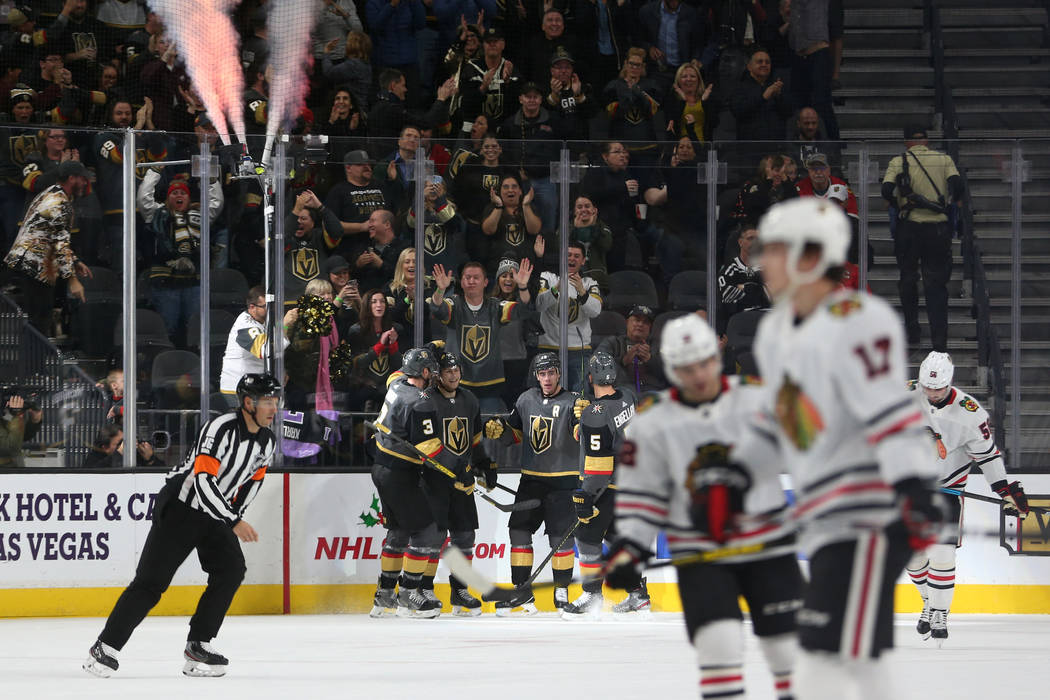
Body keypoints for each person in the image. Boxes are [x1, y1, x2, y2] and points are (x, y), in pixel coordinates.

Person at [738, 197, 943, 699]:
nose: (765, 263)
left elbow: (888, 411)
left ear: (811, 256)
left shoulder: (859, 319)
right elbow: (788, 424)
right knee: (858, 657)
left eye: (776, 251)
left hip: (872, 512)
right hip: (828, 516)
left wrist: (913, 487)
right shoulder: (775, 333)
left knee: (822, 652)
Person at [605, 315, 802, 697]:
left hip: (767, 547)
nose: (696, 375)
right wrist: (632, 545)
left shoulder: (758, 399)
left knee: (788, 652)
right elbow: (641, 493)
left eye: (703, 363)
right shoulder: (651, 421)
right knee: (718, 650)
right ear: (671, 369)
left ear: (716, 357)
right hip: (700, 554)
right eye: (685, 368)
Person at [83, 373, 281, 678]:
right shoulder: (220, 428)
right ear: (247, 403)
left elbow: (252, 483)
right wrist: (233, 520)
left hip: (216, 512)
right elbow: (203, 481)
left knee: (231, 569)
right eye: (267, 401)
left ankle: (198, 644)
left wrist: (233, 514)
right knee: (151, 583)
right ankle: (104, 647)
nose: (274, 408)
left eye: (275, 401)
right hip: (181, 507)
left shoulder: (267, 441)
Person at [906, 351, 1029, 645]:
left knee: (942, 554)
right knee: (912, 558)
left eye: (938, 388)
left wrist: (1004, 489)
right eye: (927, 387)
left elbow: (988, 456)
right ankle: (929, 601)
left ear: (949, 382)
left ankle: (940, 613)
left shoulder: (970, 413)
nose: (932, 393)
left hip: (946, 490)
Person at [369, 347, 467, 619]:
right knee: (427, 532)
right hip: (400, 474)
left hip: (381, 468)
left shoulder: (396, 383)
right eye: (430, 370)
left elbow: (396, 372)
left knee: (399, 532)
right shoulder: (420, 402)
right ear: (423, 372)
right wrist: (459, 468)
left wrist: (426, 352)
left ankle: (384, 594)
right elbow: (430, 448)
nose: (434, 374)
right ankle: (408, 594)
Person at [485, 352, 581, 613]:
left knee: (560, 539)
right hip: (531, 481)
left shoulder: (573, 402)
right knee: (518, 532)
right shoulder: (526, 399)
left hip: (563, 482)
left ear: (559, 373)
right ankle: (521, 591)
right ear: (537, 376)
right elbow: (514, 434)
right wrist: (501, 431)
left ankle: (561, 591)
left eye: (551, 373)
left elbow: (580, 434)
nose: (547, 378)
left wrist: (584, 420)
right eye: (542, 374)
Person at [563, 352, 648, 617]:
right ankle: (638, 595)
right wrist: (583, 423)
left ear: (590, 378)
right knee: (615, 538)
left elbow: (599, 465)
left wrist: (586, 495)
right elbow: (609, 430)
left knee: (587, 537)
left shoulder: (594, 414)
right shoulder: (627, 396)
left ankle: (591, 594)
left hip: (607, 485)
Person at [419, 352, 494, 615]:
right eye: (447, 371)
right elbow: (426, 445)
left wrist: (483, 463)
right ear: (437, 374)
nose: (453, 375)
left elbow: (474, 440)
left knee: (464, 536)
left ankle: (460, 591)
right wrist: (456, 468)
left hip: (462, 479)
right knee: (434, 537)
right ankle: (424, 589)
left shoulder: (469, 399)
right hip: (434, 479)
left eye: (456, 370)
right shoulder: (426, 400)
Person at [881, 124, 963, 351]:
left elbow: (886, 190)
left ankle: (912, 331)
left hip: (909, 227)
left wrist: (898, 202)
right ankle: (939, 342)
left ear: (907, 142)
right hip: (937, 229)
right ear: (926, 141)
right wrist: (950, 202)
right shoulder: (943, 159)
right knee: (936, 284)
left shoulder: (898, 161)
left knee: (908, 279)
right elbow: (957, 185)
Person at [429, 259, 534, 413]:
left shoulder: (496, 306)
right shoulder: (454, 304)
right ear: (461, 282)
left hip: (489, 386)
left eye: (476, 278)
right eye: (467, 277)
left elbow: (522, 310)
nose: (471, 281)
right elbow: (438, 308)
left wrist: (523, 287)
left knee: (491, 427)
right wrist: (440, 290)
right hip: (456, 384)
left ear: (485, 282)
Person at [4, 159, 92, 335]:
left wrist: (75, 261)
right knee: (39, 323)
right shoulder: (59, 203)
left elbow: (52, 235)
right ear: (71, 178)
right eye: (82, 179)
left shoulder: (50, 193)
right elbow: (60, 243)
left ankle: (33, 352)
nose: (85, 183)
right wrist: (73, 280)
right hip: (35, 264)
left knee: (38, 321)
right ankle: (32, 354)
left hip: (30, 261)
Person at [535, 242, 604, 392]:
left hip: (579, 351)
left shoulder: (589, 283)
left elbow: (595, 311)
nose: (572, 259)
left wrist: (581, 291)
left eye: (576, 256)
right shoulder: (548, 278)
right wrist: (557, 288)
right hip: (549, 347)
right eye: (568, 255)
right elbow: (539, 305)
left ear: (583, 261)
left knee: (579, 396)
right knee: (547, 395)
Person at [219, 286, 292, 403]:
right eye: (265, 306)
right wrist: (285, 325)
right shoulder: (244, 325)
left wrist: (280, 370)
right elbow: (265, 351)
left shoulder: (265, 321)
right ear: (252, 307)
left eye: (272, 305)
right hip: (237, 388)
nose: (271, 309)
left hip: (255, 385)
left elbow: (275, 347)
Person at [324, 150, 390, 258]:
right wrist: (362, 227)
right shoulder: (338, 191)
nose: (367, 167)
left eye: (368, 164)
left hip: (384, 249)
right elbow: (331, 226)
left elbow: (394, 214)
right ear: (348, 168)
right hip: (352, 251)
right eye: (360, 164)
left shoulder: (381, 187)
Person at [597, 304, 666, 394]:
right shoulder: (613, 342)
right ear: (627, 322)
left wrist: (650, 360)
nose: (640, 324)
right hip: (621, 392)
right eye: (637, 320)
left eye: (645, 322)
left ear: (650, 327)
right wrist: (623, 361)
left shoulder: (658, 345)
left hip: (652, 392)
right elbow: (597, 366)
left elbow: (672, 373)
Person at [718, 224, 770, 328]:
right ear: (740, 242)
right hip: (742, 322)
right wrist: (761, 290)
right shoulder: (729, 270)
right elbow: (729, 302)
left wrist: (744, 287)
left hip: (768, 319)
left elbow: (774, 298)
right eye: (750, 238)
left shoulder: (769, 267)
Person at [0, 391, 43, 468]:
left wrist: (35, 420)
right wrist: (15, 415)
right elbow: (10, 447)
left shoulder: (8, 411)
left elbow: (25, 436)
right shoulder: (12, 413)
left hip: (16, 468)